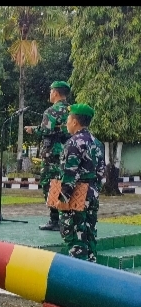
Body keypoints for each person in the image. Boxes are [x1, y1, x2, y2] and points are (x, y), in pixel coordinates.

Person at [58, 103, 102, 262]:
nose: (66, 123)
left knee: (75, 238)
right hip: (92, 194)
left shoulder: (73, 143)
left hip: (77, 195)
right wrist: (93, 192)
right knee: (89, 236)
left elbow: (69, 174)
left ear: (75, 122)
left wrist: (63, 199)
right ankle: (92, 270)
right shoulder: (97, 143)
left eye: (68, 120)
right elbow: (100, 173)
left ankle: (79, 273)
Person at [25, 80, 72, 231]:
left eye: (51, 91)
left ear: (56, 93)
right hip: (68, 153)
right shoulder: (72, 111)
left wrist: (33, 130)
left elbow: (46, 130)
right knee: (64, 184)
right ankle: (67, 219)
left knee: (49, 185)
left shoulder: (51, 111)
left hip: (52, 155)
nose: (50, 93)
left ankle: (54, 220)